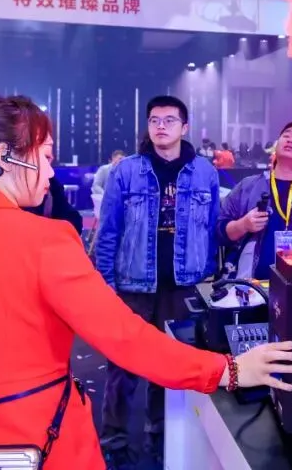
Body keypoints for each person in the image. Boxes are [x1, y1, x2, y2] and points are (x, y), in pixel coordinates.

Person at [0, 95, 292, 470]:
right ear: (3, 158)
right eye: (45, 156)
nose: (50, 171)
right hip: (46, 443)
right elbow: (127, 339)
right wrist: (230, 370)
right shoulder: (46, 240)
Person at [94, 95, 221, 464]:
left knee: (169, 367)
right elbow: (108, 232)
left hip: (182, 287)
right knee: (122, 369)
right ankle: (114, 442)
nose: (161, 126)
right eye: (154, 120)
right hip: (133, 286)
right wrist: (105, 286)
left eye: (169, 120)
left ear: (185, 127)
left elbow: (211, 227)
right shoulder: (126, 171)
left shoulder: (205, 172)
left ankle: (162, 437)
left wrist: (205, 273)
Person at [219, 121, 292, 279]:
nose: (290, 140)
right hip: (250, 286)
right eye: (286, 135)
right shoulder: (249, 186)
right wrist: (242, 225)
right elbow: (218, 230)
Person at [90, 149, 125, 223]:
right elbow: (96, 186)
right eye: (120, 159)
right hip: (105, 200)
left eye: (123, 159)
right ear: (113, 158)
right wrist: (105, 195)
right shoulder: (103, 169)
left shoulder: (124, 172)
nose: (122, 161)